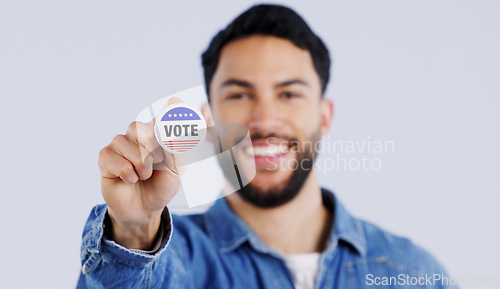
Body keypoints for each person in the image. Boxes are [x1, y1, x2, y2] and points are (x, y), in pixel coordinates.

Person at [77, 4, 455, 289]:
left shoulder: (412, 273)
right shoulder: (170, 265)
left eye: (289, 93)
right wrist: (134, 228)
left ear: (324, 117)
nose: (264, 119)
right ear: (209, 119)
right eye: (240, 94)